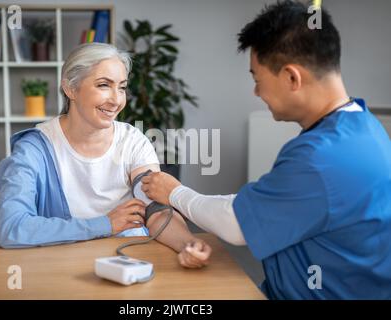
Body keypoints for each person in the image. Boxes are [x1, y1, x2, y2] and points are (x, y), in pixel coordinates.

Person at [141, 1, 391, 299]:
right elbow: (264, 204)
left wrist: (174, 192)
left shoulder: (321, 158)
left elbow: (236, 224)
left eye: (257, 80)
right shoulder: (363, 124)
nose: (256, 92)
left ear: (291, 77)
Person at [0, 43, 211, 268]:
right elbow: (12, 228)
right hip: (64, 266)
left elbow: (156, 210)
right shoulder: (34, 149)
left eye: (122, 87)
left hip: (130, 262)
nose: (116, 100)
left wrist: (189, 243)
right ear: (70, 88)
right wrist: (105, 224)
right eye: (103, 85)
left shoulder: (132, 141)